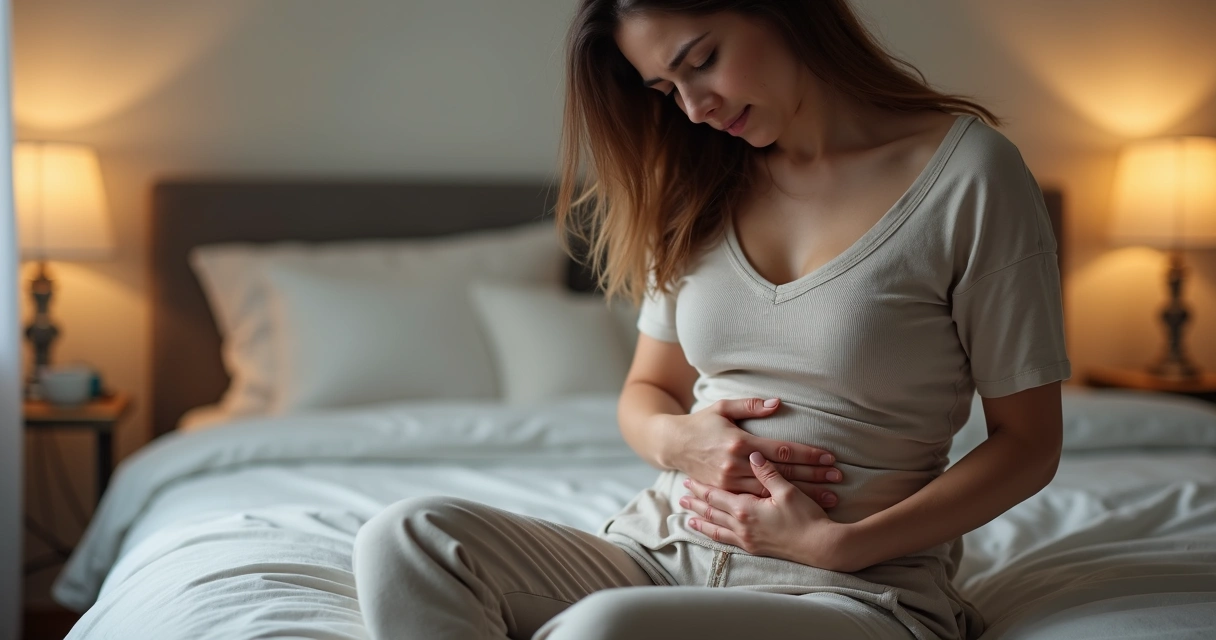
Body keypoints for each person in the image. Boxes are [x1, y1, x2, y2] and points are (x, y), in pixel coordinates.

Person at [351, 1, 1071, 638]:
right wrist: (679, 443)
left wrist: (841, 546)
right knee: (405, 538)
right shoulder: (700, 183)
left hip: (848, 592)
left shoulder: (970, 176)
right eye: (666, 88)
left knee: (607, 629)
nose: (693, 107)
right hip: (655, 554)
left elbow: (1028, 443)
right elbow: (647, 392)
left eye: (701, 61)